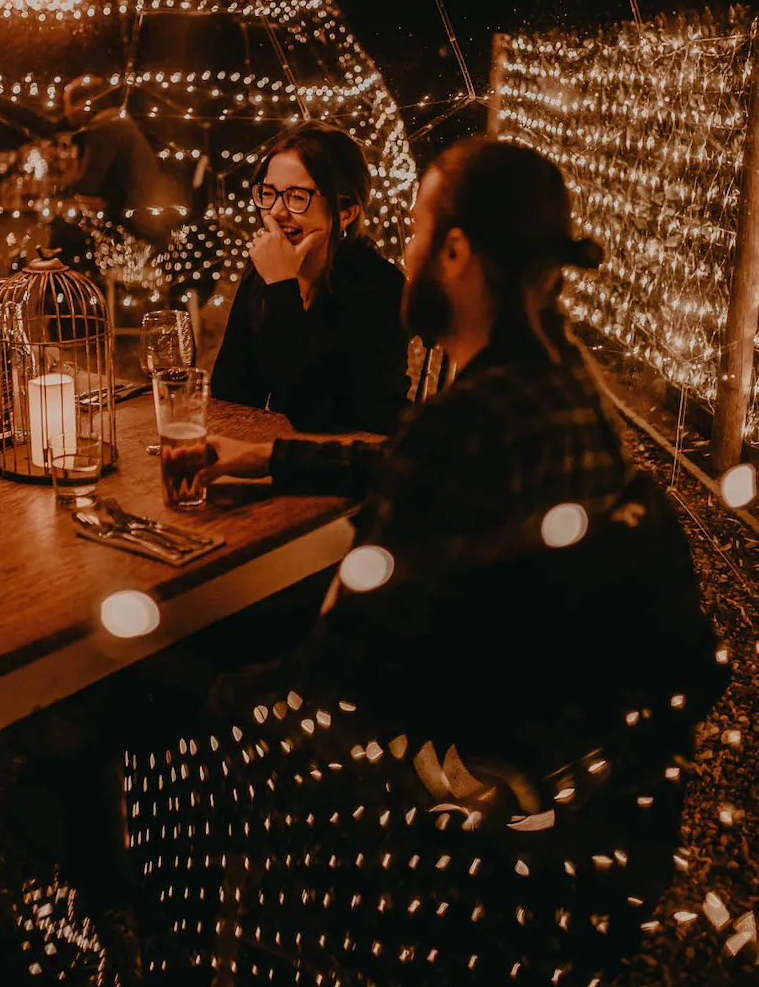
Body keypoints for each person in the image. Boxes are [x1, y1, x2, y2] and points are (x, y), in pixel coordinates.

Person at [111, 138, 726, 986]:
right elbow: (395, 459)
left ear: (458, 253)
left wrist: (205, 688)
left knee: (148, 711)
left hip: (462, 814)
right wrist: (274, 459)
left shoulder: (463, 428)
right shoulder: (560, 388)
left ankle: (183, 943)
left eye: (417, 236)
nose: (402, 258)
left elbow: (333, 685)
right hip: (585, 791)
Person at [211, 122, 410, 434]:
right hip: (280, 457)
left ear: (345, 212)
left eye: (296, 196)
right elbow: (230, 393)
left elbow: (317, 412)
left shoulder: (379, 286)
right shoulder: (264, 270)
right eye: (268, 193)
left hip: (348, 466)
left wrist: (282, 288)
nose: (275, 212)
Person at [62, 75, 181, 245]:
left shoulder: (104, 126)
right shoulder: (115, 119)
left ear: (82, 104)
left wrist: (60, 180)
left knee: (66, 229)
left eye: (66, 105)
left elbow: (87, 184)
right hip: (145, 208)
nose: (65, 114)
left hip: (137, 218)